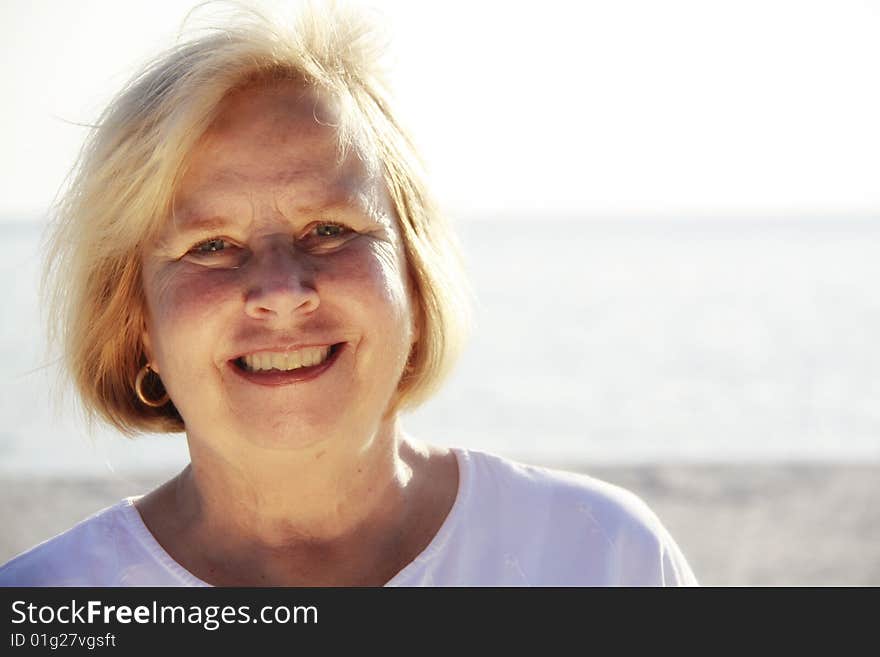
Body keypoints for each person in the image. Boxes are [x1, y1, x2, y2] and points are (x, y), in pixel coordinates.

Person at [0, 3, 696, 587]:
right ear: (136, 324)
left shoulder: (603, 558)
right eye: (211, 245)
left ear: (416, 277)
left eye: (329, 228)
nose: (280, 290)